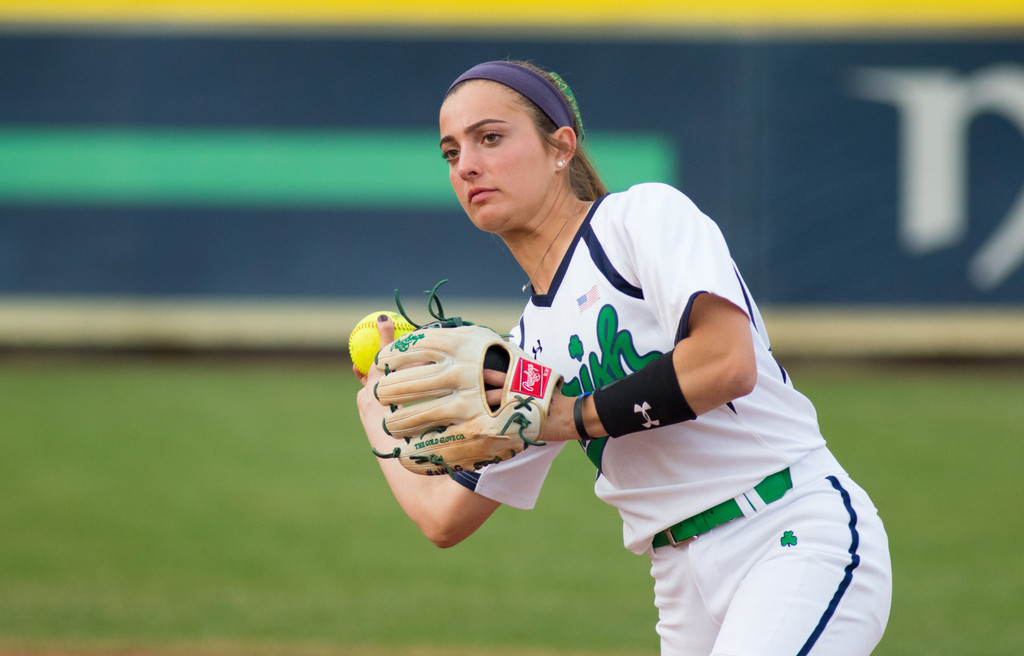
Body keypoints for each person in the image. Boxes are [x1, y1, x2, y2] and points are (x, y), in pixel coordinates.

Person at [355, 59, 892, 655]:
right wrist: (376, 408)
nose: (469, 164)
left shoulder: (640, 220)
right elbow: (444, 517)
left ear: (562, 147)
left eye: (491, 137)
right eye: (451, 152)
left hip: (786, 531)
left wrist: (568, 416)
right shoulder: (526, 349)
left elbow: (724, 363)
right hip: (679, 581)